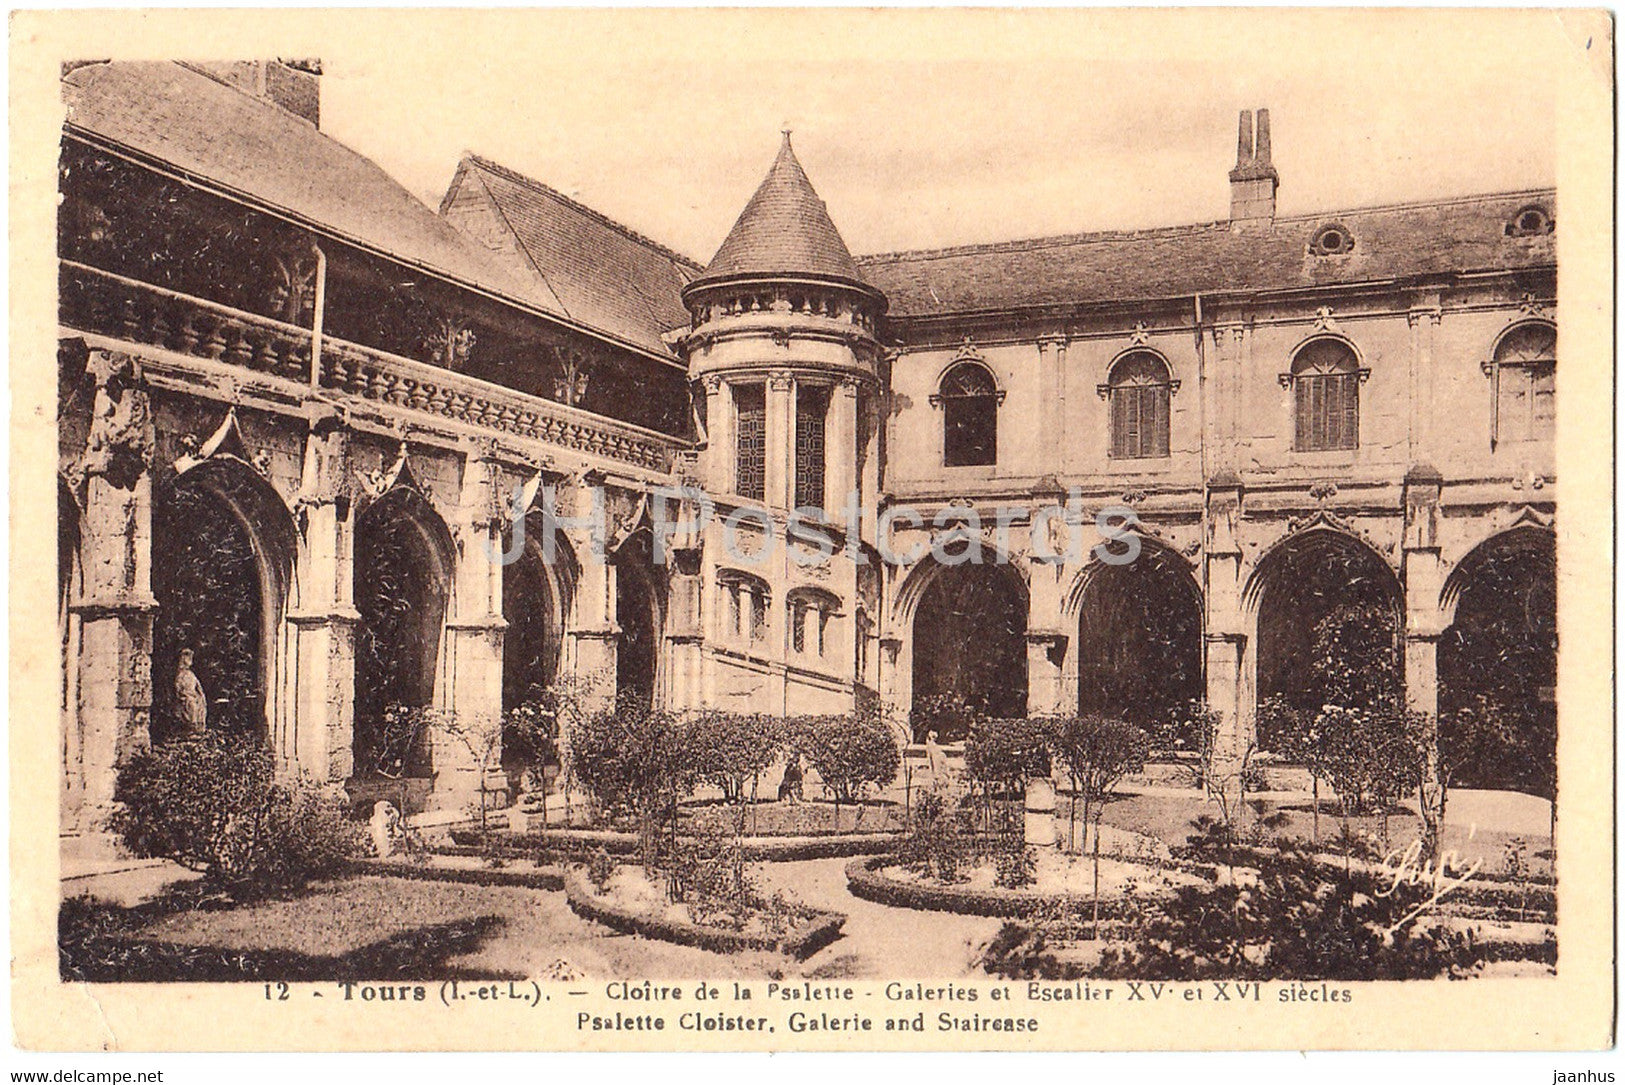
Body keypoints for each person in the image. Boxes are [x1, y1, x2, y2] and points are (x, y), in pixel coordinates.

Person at [173, 648, 208, 737]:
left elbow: (199, 688)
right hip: (185, 697)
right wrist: (183, 695)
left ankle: (197, 728)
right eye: (187, 657)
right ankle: (190, 728)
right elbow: (177, 688)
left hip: (194, 696)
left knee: (198, 704)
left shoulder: (191, 674)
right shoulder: (180, 674)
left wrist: (201, 696)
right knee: (190, 704)